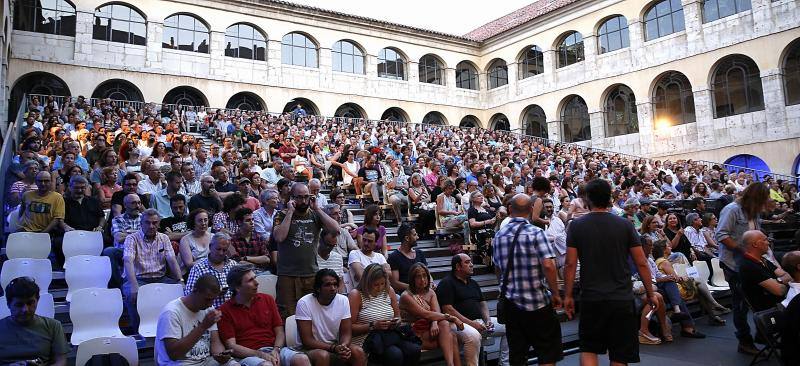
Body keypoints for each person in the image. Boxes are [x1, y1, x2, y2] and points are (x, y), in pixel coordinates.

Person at [564, 180, 658, 366]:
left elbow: (570, 264)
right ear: (609, 198)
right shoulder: (625, 225)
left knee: (589, 348)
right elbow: (641, 262)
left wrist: (567, 296)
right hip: (621, 297)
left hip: (592, 296)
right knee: (619, 354)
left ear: (587, 199)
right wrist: (650, 292)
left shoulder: (576, 226)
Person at [493, 194, 562, 366]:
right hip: (537, 302)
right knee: (547, 353)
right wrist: (555, 293)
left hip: (511, 303)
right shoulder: (536, 233)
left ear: (510, 209)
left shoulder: (499, 236)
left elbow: (498, 268)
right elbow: (548, 265)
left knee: (517, 355)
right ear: (531, 210)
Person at [715, 182, 771, 355]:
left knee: (759, 299)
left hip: (751, 263)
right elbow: (721, 234)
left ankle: (763, 335)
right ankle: (744, 341)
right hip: (734, 263)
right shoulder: (732, 210)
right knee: (741, 304)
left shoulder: (752, 212)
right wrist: (744, 250)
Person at [272, 183, 340, 317]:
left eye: (306, 197)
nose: (303, 201)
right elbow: (279, 237)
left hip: (310, 274)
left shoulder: (315, 215)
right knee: (287, 315)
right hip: (287, 275)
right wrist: (290, 211)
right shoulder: (282, 215)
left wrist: (318, 209)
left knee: (311, 314)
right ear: (292, 198)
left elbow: (335, 229)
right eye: (299, 198)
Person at [218, 264, 307, 366]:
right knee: (266, 365)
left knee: (301, 359)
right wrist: (260, 355)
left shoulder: (267, 299)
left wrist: (276, 349)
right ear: (237, 287)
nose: (257, 283)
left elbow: (280, 332)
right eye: (250, 280)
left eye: (255, 278)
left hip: (273, 349)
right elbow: (232, 346)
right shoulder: (225, 310)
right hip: (248, 355)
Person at [438, 253, 508, 366]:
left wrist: (488, 320)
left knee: (508, 326)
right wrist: (472, 324)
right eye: (467, 262)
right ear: (458, 267)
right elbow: (448, 309)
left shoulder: (473, 282)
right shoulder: (446, 283)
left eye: (471, 262)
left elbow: (483, 303)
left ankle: (505, 364)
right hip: (458, 325)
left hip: (478, 321)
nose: (471, 265)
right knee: (474, 336)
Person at [155, 273, 237, 366]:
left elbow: (215, 342)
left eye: (213, 300)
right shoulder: (171, 313)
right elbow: (174, 355)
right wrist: (202, 327)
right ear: (195, 291)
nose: (210, 304)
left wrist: (221, 355)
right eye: (207, 299)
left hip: (205, 361)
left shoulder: (208, 309)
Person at [123, 208, 184, 331]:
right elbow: (128, 261)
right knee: (131, 294)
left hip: (160, 278)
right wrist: (134, 285)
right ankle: (139, 330)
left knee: (182, 291)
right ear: (141, 224)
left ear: (159, 224)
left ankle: (173, 330)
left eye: (155, 223)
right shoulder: (132, 238)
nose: (151, 226)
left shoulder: (164, 238)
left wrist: (180, 280)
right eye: (147, 222)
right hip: (138, 278)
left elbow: (172, 260)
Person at [347, 264, 420, 366]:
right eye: (376, 284)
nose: (380, 287)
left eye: (382, 283)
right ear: (367, 282)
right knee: (395, 354)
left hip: (388, 336)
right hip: (367, 339)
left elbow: (398, 316)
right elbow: (349, 327)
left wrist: (396, 321)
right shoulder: (356, 294)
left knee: (414, 349)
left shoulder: (389, 290)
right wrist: (372, 326)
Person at [295, 269, 367, 366]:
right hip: (309, 349)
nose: (333, 288)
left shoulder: (343, 300)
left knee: (358, 352)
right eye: (327, 285)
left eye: (335, 284)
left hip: (335, 346)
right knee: (323, 355)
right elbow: (307, 341)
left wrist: (343, 346)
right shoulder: (304, 303)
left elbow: (346, 332)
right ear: (318, 288)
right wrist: (333, 348)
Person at [399, 263, 462, 366]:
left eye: (424, 276)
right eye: (418, 277)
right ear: (412, 279)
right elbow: (425, 314)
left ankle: (450, 364)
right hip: (413, 334)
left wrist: (434, 323)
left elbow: (435, 313)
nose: (422, 280)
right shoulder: (406, 296)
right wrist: (452, 318)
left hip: (430, 331)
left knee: (446, 327)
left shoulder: (431, 293)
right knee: (451, 335)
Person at [0, 277, 69, 366]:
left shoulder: (53, 326)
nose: (25, 309)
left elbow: (61, 361)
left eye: (30, 303)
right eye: (19, 304)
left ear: (37, 301)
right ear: (9, 304)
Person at [738, 230, 788, 312]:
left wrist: (777, 281)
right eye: (765, 240)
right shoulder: (748, 266)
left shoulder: (762, 259)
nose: (768, 243)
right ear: (755, 244)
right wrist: (783, 281)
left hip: (778, 305)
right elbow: (779, 291)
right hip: (771, 312)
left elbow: (785, 274)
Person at [387, 222, 428, 294]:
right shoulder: (394, 257)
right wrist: (415, 288)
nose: (417, 237)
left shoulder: (420, 253)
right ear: (407, 238)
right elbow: (395, 283)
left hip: (423, 291)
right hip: (407, 294)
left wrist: (430, 283)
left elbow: (427, 274)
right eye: (415, 235)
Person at [230, 208, 271, 272]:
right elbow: (236, 262)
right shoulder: (233, 240)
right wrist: (257, 263)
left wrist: (246, 258)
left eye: (253, 219)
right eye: (248, 220)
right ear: (239, 222)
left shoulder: (258, 238)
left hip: (261, 272)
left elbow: (266, 259)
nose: (252, 223)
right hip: (242, 273)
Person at [317, 229, 346, 294]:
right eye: (327, 245)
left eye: (333, 246)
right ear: (320, 240)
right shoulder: (311, 257)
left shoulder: (338, 257)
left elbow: (340, 280)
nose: (329, 248)